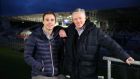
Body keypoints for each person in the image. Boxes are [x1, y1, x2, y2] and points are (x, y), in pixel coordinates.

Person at [59, 8, 134, 79]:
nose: (78, 21)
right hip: (74, 74)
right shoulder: (70, 30)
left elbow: (111, 44)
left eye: (80, 18)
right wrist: (61, 30)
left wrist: (125, 56)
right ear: (73, 20)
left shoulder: (95, 31)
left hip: (89, 74)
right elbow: (56, 29)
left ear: (85, 18)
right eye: (75, 19)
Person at [24, 12, 64, 79]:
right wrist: (41, 67)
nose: (50, 22)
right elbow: (27, 56)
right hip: (40, 75)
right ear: (43, 21)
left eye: (52, 20)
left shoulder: (57, 36)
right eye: (47, 20)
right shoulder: (34, 36)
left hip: (56, 75)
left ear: (55, 22)